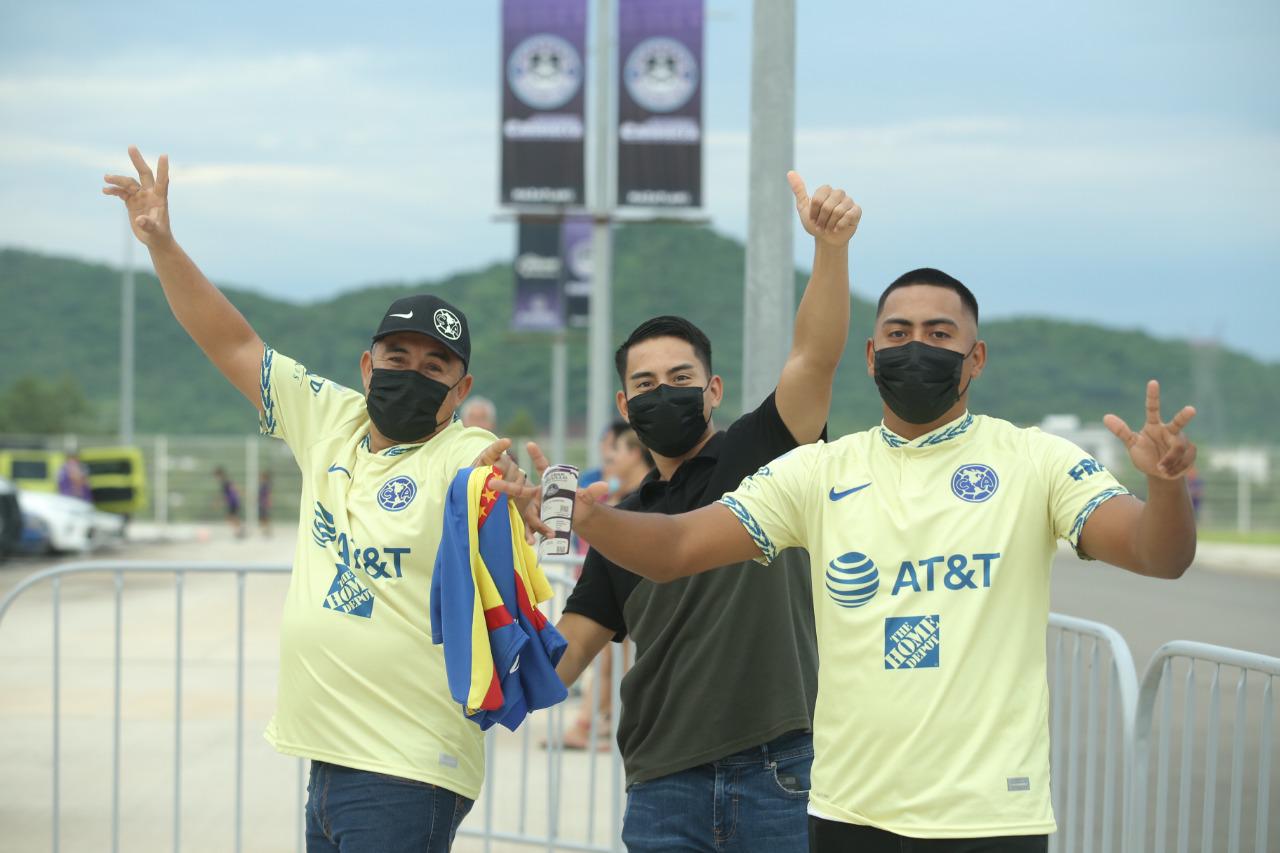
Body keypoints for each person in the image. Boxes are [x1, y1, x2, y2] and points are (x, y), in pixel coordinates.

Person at [563, 269, 1198, 852]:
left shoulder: (1036, 460)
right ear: (872, 356)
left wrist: (1166, 486)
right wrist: (585, 517)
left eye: (938, 333)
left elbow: (1157, 554)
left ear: (974, 358)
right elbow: (676, 548)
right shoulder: (817, 471)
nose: (915, 348)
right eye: (897, 334)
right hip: (847, 814)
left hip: (989, 817)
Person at [104, 146, 535, 853]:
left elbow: (495, 478)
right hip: (330, 760)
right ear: (367, 366)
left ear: (461, 392)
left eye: (436, 368)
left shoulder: (462, 453)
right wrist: (162, 242)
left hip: (407, 765)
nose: (412, 375)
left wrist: (522, 505)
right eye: (398, 358)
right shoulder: (328, 421)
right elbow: (231, 342)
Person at [549, 172, 861, 852]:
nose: (665, 394)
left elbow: (816, 355)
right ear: (625, 408)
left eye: (681, 380)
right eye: (646, 385)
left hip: (780, 771)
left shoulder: (767, 451)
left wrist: (831, 249)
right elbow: (558, 663)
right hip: (664, 786)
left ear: (714, 390)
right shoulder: (621, 524)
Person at [558, 425, 654, 751]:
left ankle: (596, 722)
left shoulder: (646, 499)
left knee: (617, 659)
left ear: (636, 453)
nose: (610, 458)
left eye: (618, 451)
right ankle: (600, 721)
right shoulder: (617, 494)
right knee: (608, 658)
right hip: (609, 593)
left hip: (633, 596)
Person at [213, 466, 244, 538]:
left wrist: (218, 501)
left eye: (216, 475)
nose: (215, 478)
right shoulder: (225, 481)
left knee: (231, 517)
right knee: (232, 517)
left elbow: (233, 489)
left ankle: (240, 531)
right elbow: (226, 493)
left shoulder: (225, 481)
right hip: (232, 502)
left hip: (233, 502)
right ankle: (239, 531)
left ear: (219, 474)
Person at [258, 471, 273, 537]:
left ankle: (267, 530)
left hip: (264, 503)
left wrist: (269, 501)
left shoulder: (265, 485)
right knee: (263, 517)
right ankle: (266, 530)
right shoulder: (263, 484)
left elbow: (268, 494)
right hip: (262, 503)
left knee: (264, 517)